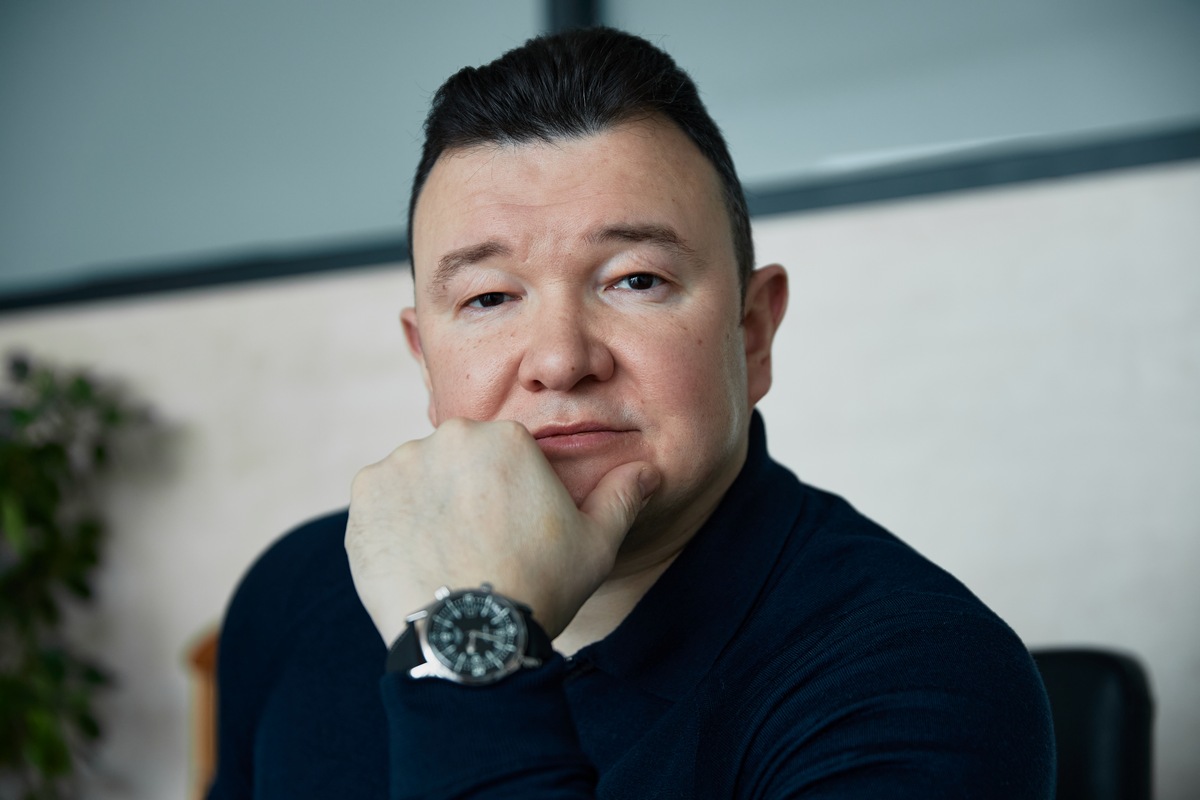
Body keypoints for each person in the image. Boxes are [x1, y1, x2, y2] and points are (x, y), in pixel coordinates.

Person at [208, 27, 1055, 799]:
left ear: (753, 334)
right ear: (425, 359)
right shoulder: (304, 589)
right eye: (489, 297)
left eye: (635, 280)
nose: (560, 360)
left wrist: (467, 641)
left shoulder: (920, 677)